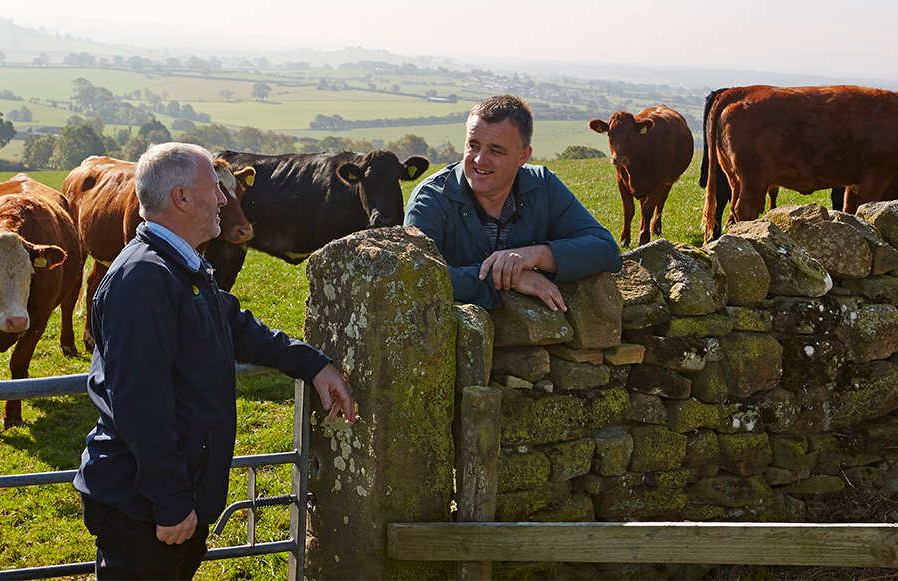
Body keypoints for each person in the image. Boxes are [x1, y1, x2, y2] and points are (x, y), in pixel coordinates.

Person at [74, 142, 357, 580]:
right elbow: (139, 403)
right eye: (214, 190)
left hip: (171, 502)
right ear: (181, 199)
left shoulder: (180, 267)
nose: (226, 199)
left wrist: (313, 364)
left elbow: (237, 325)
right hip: (144, 509)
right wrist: (170, 501)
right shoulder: (144, 278)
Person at [404, 94, 621, 310]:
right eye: (473, 145)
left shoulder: (543, 186)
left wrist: (535, 255)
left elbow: (606, 250)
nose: (480, 159)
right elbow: (416, 278)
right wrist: (510, 278)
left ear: (523, 156)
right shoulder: (429, 200)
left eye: (496, 150)